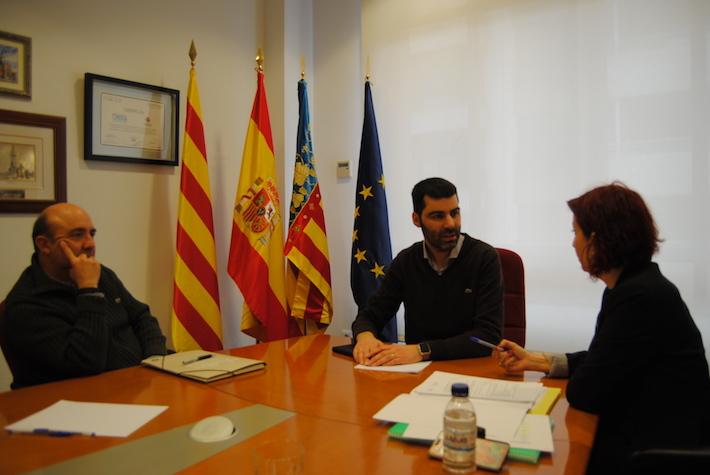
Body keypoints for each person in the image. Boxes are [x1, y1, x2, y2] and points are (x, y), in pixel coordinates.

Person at [494, 183, 710, 474]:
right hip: (647, 428)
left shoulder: (639, 297)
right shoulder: (634, 285)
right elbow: (608, 358)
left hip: (653, 451)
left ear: (595, 239)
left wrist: (570, 370)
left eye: (576, 233)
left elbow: (586, 391)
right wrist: (538, 360)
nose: (573, 243)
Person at [4, 203, 167, 388]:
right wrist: (88, 289)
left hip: (139, 379)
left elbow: (141, 316)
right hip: (82, 395)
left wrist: (155, 359)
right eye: (77, 235)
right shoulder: (26, 305)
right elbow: (85, 364)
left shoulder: (101, 274)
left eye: (92, 234)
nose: (90, 244)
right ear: (44, 245)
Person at [352, 177, 503, 366]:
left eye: (454, 213)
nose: (450, 224)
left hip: (469, 368)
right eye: (438, 216)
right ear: (416, 219)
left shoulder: (484, 258)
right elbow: (370, 315)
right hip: (416, 371)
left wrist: (422, 350)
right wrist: (365, 336)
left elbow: (487, 337)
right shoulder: (406, 261)